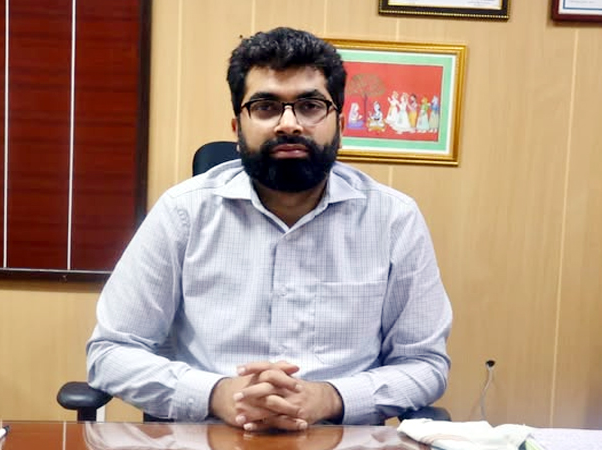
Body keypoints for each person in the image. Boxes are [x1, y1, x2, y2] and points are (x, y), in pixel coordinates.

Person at [86, 27, 452, 432]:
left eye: (310, 106)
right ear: (236, 127)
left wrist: (331, 397)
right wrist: (217, 394)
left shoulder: (393, 220)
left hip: (341, 437)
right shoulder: (183, 213)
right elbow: (111, 353)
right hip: (209, 435)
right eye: (265, 107)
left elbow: (425, 364)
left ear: (341, 123)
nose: (289, 124)